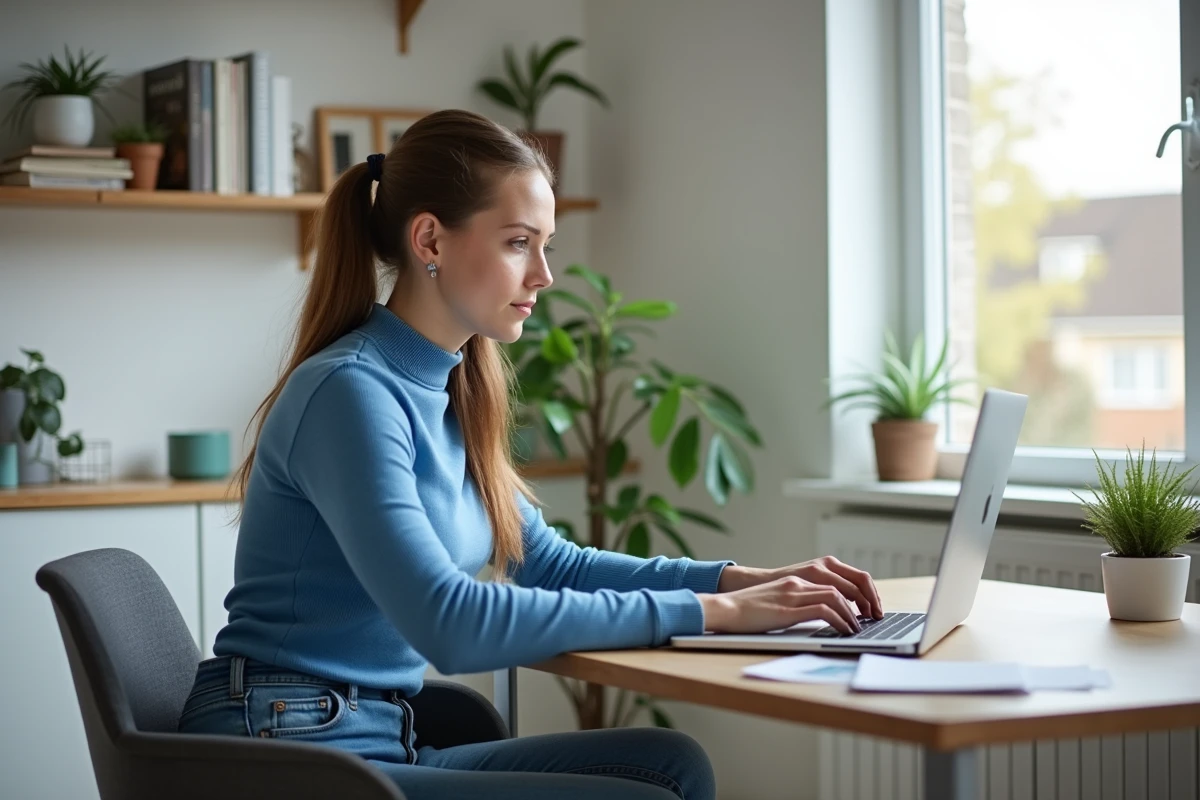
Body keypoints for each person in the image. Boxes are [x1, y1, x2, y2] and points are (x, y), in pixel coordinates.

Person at [176, 109, 884, 800]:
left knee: (669, 765)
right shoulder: (350, 392)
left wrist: (744, 583)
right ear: (430, 240)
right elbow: (448, 623)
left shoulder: (450, 384)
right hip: (283, 745)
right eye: (519, 242)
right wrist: (713, 614)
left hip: (374, 734)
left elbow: (548, 560)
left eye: (546, 244)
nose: (543, 274)